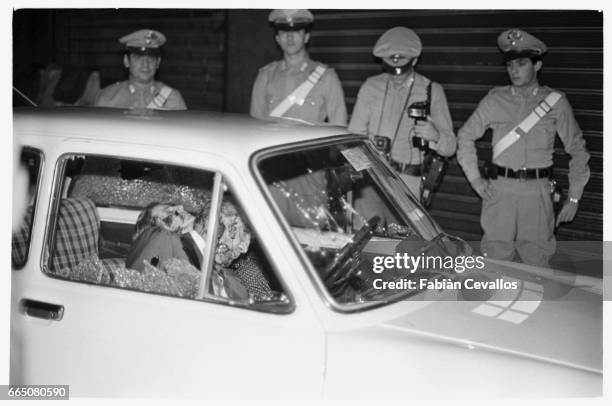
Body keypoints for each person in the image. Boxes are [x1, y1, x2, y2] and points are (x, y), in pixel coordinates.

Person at [456, 29, 590, 267]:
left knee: (537, 260)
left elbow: (577, 149)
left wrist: (574, 198)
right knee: (495, 259)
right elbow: (465, 136)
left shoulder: (555, 102)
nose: (514, 70)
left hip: (536, 192)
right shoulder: (495, 99)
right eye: (509, 65)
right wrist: (476, 179)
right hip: (500, 190)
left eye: (521, 63)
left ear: (537, 65)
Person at [349, 26, 456, 197]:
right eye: (390, 69)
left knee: (402, 226)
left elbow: (451, 147)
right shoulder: (370, 87)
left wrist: (435, 135)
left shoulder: (432, 90)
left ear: (414, 61)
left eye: (402, 69)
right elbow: (354, 137)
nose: (396, 76)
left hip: (410, 183)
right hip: (373, 178)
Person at [250, 9, 347, 125]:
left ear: (306, 37)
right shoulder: (265, 76)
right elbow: (255, 126)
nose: (290, 37)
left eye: (296, 31)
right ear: (277, 39)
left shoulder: (326, 77)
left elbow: (339, 127)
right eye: (284, 32)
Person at [95, 29, 187, 110]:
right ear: (126, 61)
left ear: (158, 62)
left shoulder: (173, 99)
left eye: (151, 58)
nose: (145, 64)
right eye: (138, 57)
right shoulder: (107, 98)